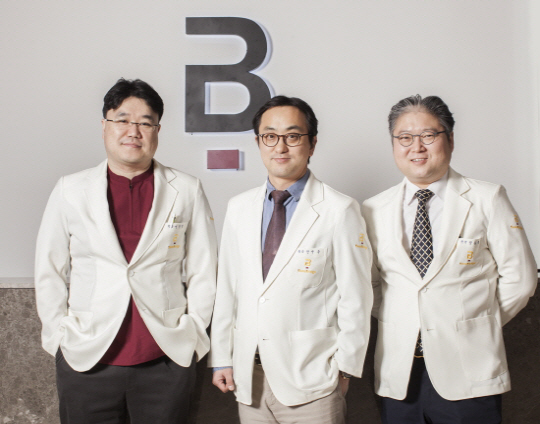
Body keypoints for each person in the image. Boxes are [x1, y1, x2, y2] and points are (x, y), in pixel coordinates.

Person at [35, 78, 218, 424]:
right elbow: (49, 270)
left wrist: (193, 333)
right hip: (87, 359)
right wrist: (58, 339)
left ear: (157, 131)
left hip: (165, 358)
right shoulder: (70, 190)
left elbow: (204, 269)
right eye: (122, 120)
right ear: (104, 125)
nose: (133, 131)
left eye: (145, 122)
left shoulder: (186, 189)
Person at [362, 94, 537, 423]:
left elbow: (521, 279)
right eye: (405, 138)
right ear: (394, 144)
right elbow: (369, 284)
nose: (417, 147)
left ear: (450, 139)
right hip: (399, 374)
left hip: (469, 369)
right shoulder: (372, 210)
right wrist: (411, 319)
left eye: (428, 135)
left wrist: (476, 323)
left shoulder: (487, 198)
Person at [209, 95, 373, 424]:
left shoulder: (339, 210)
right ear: (258, 143)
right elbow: (227, 288)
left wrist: (344, 369)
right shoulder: (239, 208)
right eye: (270, 136)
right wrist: (222, 357)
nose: (280, 147)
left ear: (312, 144)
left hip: (311, 379)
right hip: (249, 376)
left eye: (293, 136)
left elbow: (356, 298)